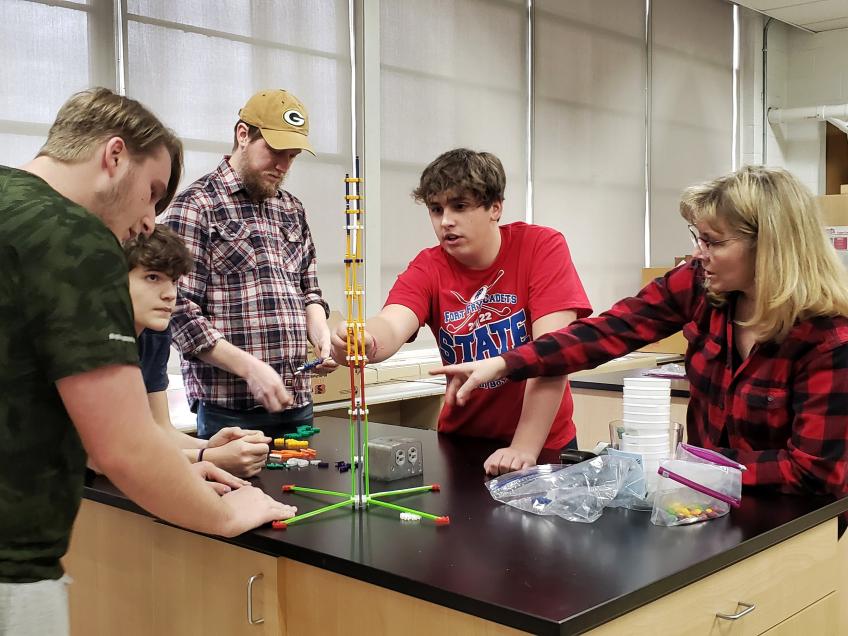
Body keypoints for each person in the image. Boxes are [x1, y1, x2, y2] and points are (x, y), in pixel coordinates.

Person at [0, 87, 295, 635]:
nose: (147, 222)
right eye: (152, 193)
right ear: (114, 157)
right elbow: (123, 445)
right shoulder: (75, 240)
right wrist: (226, 514)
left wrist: (188, 462)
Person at [434, 165, 848, 498]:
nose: (698, 253)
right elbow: (607, 332)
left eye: (714, 242)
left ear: (769, 247)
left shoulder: (827, 341)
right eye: (697, 238)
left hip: (795, 525)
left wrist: (683, 465)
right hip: (704, 506)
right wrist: (505, 362)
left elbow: (812, 472)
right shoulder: (700, 286)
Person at [330, 148, 592, 476]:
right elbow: (392, 322)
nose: (446, 221)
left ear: (495, 207)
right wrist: (363, 340)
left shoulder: (541, 247)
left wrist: (524, 447)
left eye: (460, 206)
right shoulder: (429, 266)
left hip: (542, 445)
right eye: (436, 209)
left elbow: (555, 353)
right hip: (463, 446)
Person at [161, 89, 337, 441]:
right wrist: (251, 369)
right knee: (231, 497)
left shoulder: (292, 209)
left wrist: (319, 333)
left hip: (296, 401)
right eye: (274, 151)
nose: (284, 166)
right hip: (228, 409)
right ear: (243, 134)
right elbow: (177, 311)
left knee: (299, 497)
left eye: (292, 156)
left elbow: (309, 291)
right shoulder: (197, 206)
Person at [124, 225, 271, 478]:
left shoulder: (155, 335)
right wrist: (209, 458)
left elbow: (161, 430)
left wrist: (213, 446)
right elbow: (104, 454)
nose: (170, 294)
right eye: (152, 277)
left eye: (173, 281)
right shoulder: (96, 341)